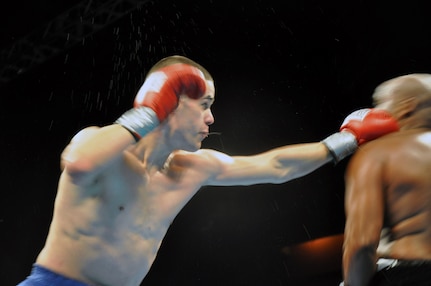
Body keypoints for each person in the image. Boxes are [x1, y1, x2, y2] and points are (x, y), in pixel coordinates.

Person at [18, 55, 398, 286]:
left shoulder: (191, 168)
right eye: (204, 104)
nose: (211, 117)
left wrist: (346, 139)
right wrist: (149, 111)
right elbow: (79, 164)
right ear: (170, 99)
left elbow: (276, 166)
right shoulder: (102, 147)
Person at [341, 73, 431, 286]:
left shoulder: (378, 153)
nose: (373, 112)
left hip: (411, 277)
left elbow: (361, 244)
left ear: (408, 106)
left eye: (381, 103)